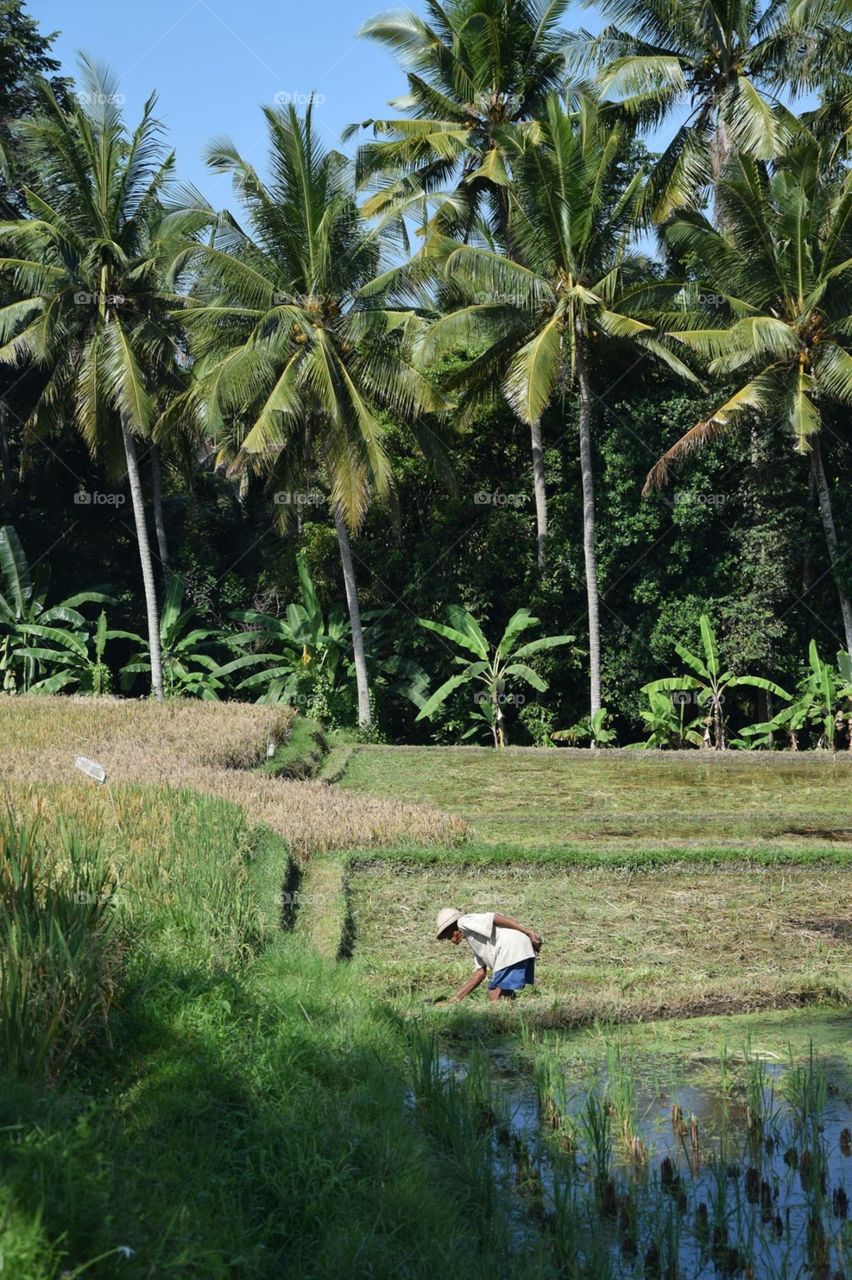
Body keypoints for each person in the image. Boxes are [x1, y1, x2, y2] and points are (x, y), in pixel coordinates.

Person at [435, 907, 542, 1002]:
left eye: (450, 934)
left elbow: (495, 918)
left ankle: (497, 1022)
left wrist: (528, 932)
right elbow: (480, 973)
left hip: (510, 948)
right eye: (449, 938)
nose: (453, 940)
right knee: (505, 994)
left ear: (453, 926)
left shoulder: (463, 922)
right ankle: (509, 1019)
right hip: (520, 949)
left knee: (494, 994)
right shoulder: (477, 941)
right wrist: (456, 998)